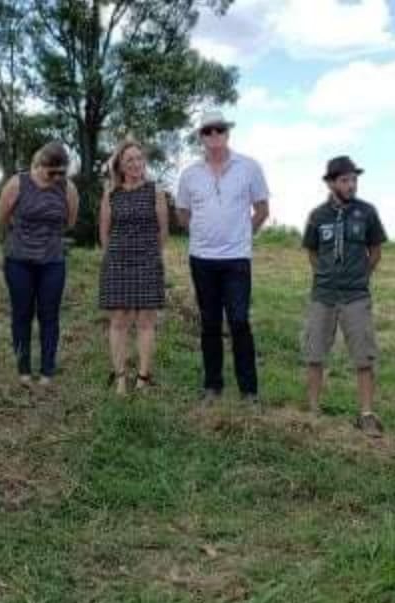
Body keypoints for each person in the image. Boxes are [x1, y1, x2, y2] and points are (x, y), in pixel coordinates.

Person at [175, 110, 270, 402]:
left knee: (240, 321)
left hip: (237, 259)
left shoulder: (249, 167)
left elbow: (262, 210)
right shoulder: (190, 174)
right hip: (202, 259)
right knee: (210, 323)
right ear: (201, 137)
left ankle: (249, 391)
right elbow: (182, 213)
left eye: (219, 130)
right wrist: (203, 235)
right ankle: (213, 386)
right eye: (208, 131)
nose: (214, 136)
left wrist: (242, 235)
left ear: (228, 133)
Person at [302, 155, 388, 433]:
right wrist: (325, 275)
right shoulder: (318, 215)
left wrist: (361, 277)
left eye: (354, 179)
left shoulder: (367, 212)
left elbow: (375, 252)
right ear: (330, 183)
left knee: (363, 355)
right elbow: (313, 251)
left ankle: (366, 414)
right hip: (323, 295)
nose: (351, 185)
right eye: (345, 180)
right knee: (315, 352)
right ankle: (314, 409)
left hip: (355, 296)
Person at [0, 141, 78, 387]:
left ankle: (47, 371)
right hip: (18, 260)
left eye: (59, 173)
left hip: (52, 260)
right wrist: (17, 239)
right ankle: (23, 370)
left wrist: (47, 235)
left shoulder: (67, 188)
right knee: (22, 313)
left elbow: (71, 221)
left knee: (49, 315)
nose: (53, 176)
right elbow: (2, 218)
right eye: (49, 171)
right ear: (39, 163)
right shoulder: (17, 183)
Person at [98, 138, 168, 395]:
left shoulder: (155, 191)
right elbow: (104, 233)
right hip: (117, 263)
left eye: (140, 158)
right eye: (130, 160)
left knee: (146, 322)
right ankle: (119, 378)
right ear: (120, 165)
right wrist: (114, 257)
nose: (136, 163)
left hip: (148, 262)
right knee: (118, 321)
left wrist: (151, 255)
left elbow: (163, 231)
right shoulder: (110, 194)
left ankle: (143, 377)